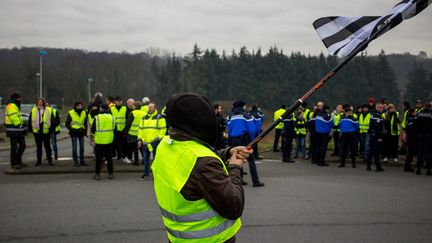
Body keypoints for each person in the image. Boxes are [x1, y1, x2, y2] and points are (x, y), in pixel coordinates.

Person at [152, 93, 252, 242]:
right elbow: (234, 206)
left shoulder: (165, 145)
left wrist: (228, 152)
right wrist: (234, 167)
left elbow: (194, 158)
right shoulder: (203, 163)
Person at [227, 101, 264, 187]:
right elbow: (252, 129)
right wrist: (251, 139)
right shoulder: (246, 115)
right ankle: (255, 181)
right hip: (245, 139)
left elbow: (229, 129)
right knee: (251, 160)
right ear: (243, 106)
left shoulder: (231, 116)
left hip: (234, 140)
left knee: (237, 159)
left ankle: (239, 180)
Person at [137, 102, 166, 180]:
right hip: (145, 143)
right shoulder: (144, 118)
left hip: (155, 143)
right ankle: (146, 174)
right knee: (146, 161)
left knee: (156, 161)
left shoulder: (159, 118)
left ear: (155, 108)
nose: (149, 108)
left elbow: (163, 129)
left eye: (151, 107)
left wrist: (158, 139)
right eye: (149, 107)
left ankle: (156, 175)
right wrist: (139, 139)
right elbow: (140, 130)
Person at [92, 104, 115, 180]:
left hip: (99, 141)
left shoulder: (97, 117)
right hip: (109, 140)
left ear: (101, 109)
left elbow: (93, 129)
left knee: (98, 158)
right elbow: (115, 128)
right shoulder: (112, 117)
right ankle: (110, 174)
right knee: (109, 158)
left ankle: (97, 174)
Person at [28, 98, 54, 166]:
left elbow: (52, 120)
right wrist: (31, 129)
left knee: (47, 147)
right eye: (38, 102)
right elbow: (30, 120)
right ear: (36, 103)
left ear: (43, 103)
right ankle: (38, 161)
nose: (40, 103)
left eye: (41, 102)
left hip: (46, 131)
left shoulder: (48, 109)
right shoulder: (33, 110)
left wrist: (50, 129)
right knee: (38, 147)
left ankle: (50, 160)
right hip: (37, 131)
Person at [5, 92, 27, 170]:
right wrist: (19, 124)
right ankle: (14, 163)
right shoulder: (12, 105)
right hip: (13, 129)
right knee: (14, 147)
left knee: (22, 145)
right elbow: (13, 116)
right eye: (19, 98)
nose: (20, 100)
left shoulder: (15, 105)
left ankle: (18, 161)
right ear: (16, 98)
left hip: (18, 130)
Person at [66, 101, 87, 167]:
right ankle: (75, 161)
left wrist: (84, 130)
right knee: (74, 148)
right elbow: (67, 123)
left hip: (81, 132)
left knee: (82, 147)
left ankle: (82, 161)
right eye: (78, 106)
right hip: (74, 132)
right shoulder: (71, 112)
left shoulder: (84, 112)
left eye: (81, 106)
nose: (79, 107)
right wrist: (71, 129)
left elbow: (85, 122)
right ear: (75, 106)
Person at [124, 101, 145, 165]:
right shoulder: (144, 113)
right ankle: (144, 160)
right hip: (141, 133)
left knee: (135, 148)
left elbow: (128, 123)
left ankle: (136, 162)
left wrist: (125, 132)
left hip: (133, 133)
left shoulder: (132, 113)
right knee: (141, 148)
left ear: (135, 106)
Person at [414, 102, 432, 175]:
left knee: (420, 152)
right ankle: (428, 170)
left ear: (424, 107)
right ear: (430, 107)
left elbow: (416, 125)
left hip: (420, 135)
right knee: (429, 153)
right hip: (429, 135)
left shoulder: (419, 114)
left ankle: (418, 169)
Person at [367, 103, 385, 172]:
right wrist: (379, 137)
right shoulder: (377, 116)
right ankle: (378, 167)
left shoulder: (374, 115)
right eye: (380, 107)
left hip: (372, 135)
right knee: (376, 152)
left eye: (382, 107)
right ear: (377, 108)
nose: (381, 109)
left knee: (371, 151)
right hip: (376, 136)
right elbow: (377, 128)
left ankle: (368, 166)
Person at [110, 96, 128, 162]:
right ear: (114, 102)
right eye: (118, 101)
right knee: (116, 144)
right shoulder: (111, 109)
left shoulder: (125, 108)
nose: (119, 102)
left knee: (124, 144)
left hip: (123, 130)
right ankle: (119, 156)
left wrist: (125, 129)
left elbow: (127, 119)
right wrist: (113, 128)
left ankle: (125, 157)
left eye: (120, 101)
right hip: (115, 129)